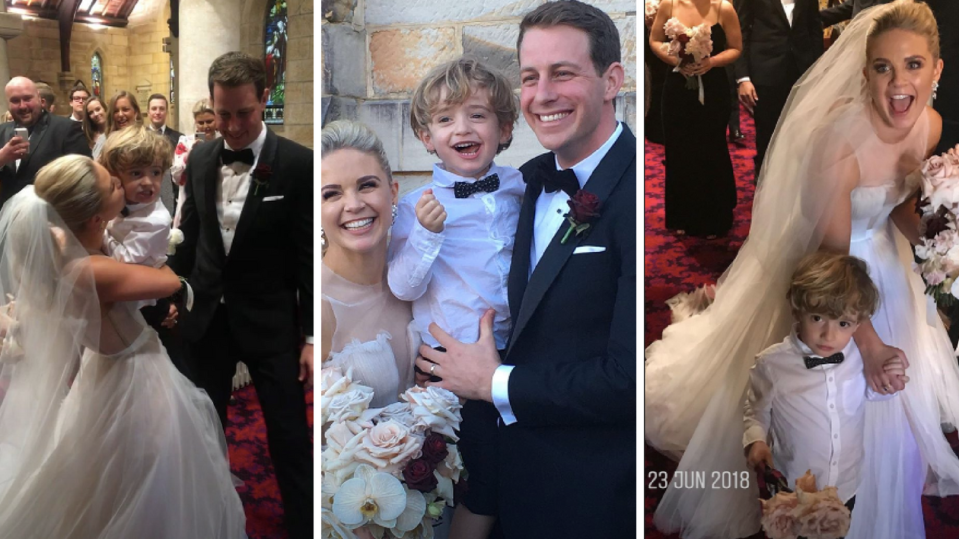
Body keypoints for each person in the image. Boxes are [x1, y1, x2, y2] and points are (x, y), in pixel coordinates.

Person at [647, 2, 959, 538]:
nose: (898, 83)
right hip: (830, 280)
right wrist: (872, 345)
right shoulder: (839, 144)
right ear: (865, 74)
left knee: (892, 411)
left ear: (937, 69)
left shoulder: (927, 126)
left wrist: (941, 241)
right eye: (883, 67)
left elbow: (904, 215)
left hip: (886, 263)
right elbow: (834, 271)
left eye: (913, 65)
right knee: (834, 386)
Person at [413, 2, 636, 537]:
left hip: (587, 490)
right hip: (496, 472)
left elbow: (629, 382)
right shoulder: (526, 184)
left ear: (612, 81)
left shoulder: (637, 196)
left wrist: (493, 382)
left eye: (563, 73)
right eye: (531, 77)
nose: (543, 94)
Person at [0, 155, 245, 537]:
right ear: (97, 219)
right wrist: (159, 263)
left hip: (101, 368)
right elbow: (167, 281)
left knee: (103, 466)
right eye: (112, 185)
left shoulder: (59, 247)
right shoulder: (92, 270)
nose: (120, 182)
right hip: (135, 373)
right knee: (152, 468)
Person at [169, 51, 313, 539]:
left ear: (264, 100)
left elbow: (306, 262)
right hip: (207, 317)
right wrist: (172, 294)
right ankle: (207, 519)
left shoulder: (297, 165)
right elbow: (189, 236)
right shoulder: (204, 156)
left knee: (290, 436)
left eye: (243, 113)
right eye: (222, 113)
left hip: (270, 323)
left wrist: (311, 335)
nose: (231, 126)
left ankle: (302, 523)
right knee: (206, 429)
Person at [387, 56, 522, 538]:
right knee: (480, 482)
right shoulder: (414, 207)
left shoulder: (519, 187)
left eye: (477, 115)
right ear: (427, 137)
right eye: (445, 119)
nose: (461, 128)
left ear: (505, 128)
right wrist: (426, 235)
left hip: (518, 356)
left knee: (515, 475)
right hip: (453, 364)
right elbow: (402, 287)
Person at [742, 253, 910, 532]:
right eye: (817, 318)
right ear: (798, 311)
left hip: (845, 484)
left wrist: (890, 384)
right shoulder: (772, 365)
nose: (828, 336)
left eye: (843, 324)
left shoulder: (859, 359)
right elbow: (755, 411)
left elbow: (875, 393)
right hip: (792, 485)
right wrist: (756, 441)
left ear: (858, 325)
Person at [98, 125, 190, 378]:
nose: (148, 182)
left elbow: (123, 260)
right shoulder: (123, 204)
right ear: (115, 176)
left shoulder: (155, 219)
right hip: (123, 295)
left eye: (156, 172)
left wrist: (101, 232)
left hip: (145, 303)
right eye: (136, 173)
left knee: (152, 368)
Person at [650, 0, 743, 238]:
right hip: (677, 87)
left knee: (710, 147)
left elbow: (736, 47)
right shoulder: (668, 5)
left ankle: (714, 216)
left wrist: (711, 62)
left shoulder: (724, 8)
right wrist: (677, 61)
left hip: (713, 88)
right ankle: (681, 214)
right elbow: (655, 40)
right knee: (679, 148)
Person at [735, 0, 823, 175]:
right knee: (768, 134)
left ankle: (796, 183)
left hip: (803, 71)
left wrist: (819, 70)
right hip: (765, 71)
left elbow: (814, 29)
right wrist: (742, 77)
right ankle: (765, 184)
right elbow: (741, 32)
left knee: (803, 133)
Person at [0, 77, 91, 208]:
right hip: (6, 218)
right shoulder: (1, 131)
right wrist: (2, 158)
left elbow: (84, 178)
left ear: (39, 99)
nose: (22, 106)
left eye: (27, 98)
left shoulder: (66, 129)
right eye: (15, 100)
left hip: (52, 218)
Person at [170, 98, 218, 228]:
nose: (205, 126)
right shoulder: (185, 142)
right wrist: (191, 154)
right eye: (200, 122)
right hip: (189, 198)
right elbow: (176, 177)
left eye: (209, 121)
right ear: (195, 123)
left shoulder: (223, 141)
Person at [145, 93, 184, 215]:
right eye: (154, 108)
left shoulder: (179, 138)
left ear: (166, 112)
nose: (158, 112)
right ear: (148, 112)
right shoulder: (139, 137)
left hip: (172, 197)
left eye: (161, 109)